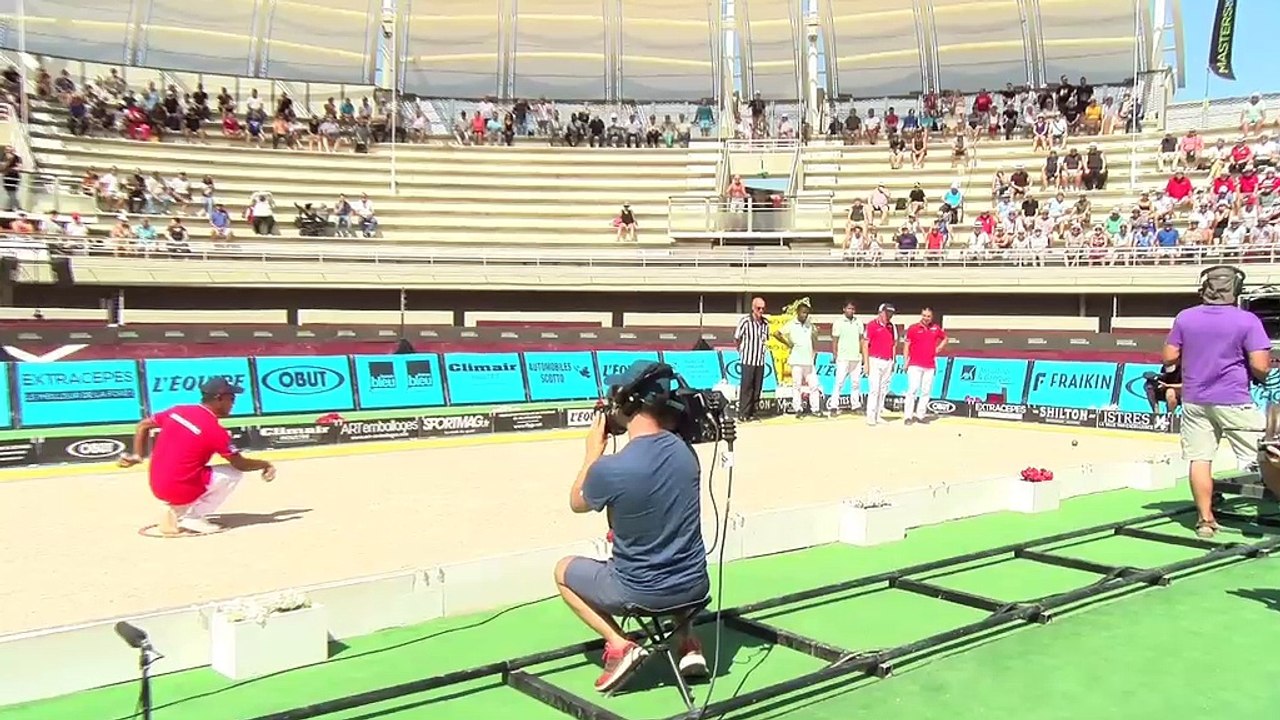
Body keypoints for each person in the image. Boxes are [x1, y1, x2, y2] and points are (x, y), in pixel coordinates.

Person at [554, 364, 709, 693]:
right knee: (675, 548)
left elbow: (577, 502)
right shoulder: (686, 453)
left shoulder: (610, 468)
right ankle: (687, 642)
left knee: (562, 570)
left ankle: (619, 643)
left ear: (628, 404)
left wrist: (591, 453)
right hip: (695, 587)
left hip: (640, 592)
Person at [1163, 266, 1280, 539]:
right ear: (1235, 290)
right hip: (1233, 400)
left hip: (1194, 400)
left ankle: (1205, 520)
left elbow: (1169, 357)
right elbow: (1261, 367)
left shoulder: (1185, 317)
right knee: (1269, 453)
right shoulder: (1247, 321)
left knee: (1200, 459)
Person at [119, 378, 275, 536]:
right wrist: (265, 464)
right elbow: (241, 464)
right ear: (219, 398)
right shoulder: (215, 430)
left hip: (157, 485)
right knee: (233, 474)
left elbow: (143, 425)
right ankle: (193, 517)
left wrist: (138, 455)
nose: (233, 404)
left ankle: (179, 510)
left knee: (195, 471)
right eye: (231, 399)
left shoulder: (178, 411)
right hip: (179, 488)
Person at [775, 299, 821, 417]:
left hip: (809, 360)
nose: (804, 315)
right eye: (803, 312)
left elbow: (814, 338)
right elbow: (776, 333)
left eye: (806, 313)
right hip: (796, 360)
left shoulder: (809, 325)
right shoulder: (791, 324)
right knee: (797, 385)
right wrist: (787, 343)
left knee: (814, 385)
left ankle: (815, 409)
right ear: (798, 312)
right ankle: (798, 408)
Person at [902, 307, 948, 424]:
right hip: (915, 364)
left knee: (926, 391)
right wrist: (905, 361)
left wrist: (939, 348)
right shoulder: (913, 328)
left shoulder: (935, 328)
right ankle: (908, 416)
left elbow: (945, 338)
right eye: (924, 315)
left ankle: (920, 415)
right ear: (921, 315)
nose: (926, 318)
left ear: (931, 317)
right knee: (912, 390)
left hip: (929, 365)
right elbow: (906, 345)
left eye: (928, 316)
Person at [862, 303, 899, 426]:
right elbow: (865, 344)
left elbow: (894, 344)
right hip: (874, 360)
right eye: (887, 313)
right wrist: (866, 363)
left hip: (887, 360)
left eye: (891, 313)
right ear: (880, 312)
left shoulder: (892, 327)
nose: (889, 316)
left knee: (883, 389)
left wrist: (893, 360)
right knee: (874, 389)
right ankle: (870, 416)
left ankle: (878, 415)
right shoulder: (872, 325)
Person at [734, 296, 769, 422]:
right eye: (758, 308)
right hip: (748, 359)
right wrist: (741, 351)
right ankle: (743, 413)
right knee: (746, 387)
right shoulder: (745, 321)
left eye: (763, 308)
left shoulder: (765, 324)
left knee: (757, 387)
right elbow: (737, 337)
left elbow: (766, 340)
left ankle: (753, 412)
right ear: (753, 308)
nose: (761, 311)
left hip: (760, 360)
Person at [827, 300, 864, 416]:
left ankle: (856, 405)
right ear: (844, 309)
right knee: (839, 382)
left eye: (853, 309)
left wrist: (862, 353)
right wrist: (835, 353)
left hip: (856, 357)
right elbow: (835, 339)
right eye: (849, 308)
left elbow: (861, 339)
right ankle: (833, 406)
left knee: (855, 383)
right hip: (843, 357)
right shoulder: (838, 322)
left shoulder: (859, 322)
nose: (851, 311)